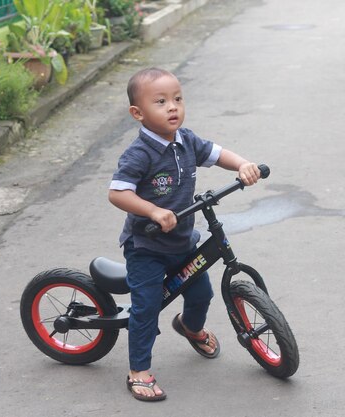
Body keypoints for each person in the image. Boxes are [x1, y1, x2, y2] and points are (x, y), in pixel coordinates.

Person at [109, 67, 261, 401]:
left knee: (200, 295)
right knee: (146, 308)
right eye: (160, 102)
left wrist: (242, 165)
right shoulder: (140, 154)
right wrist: (153, 210)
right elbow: (117, 192)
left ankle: (189, 327)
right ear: (138, 113)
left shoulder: (186, 141)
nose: (173, 107)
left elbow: (217, 153)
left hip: (181, 242)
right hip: (146, 246)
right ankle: (138, 371)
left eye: (177, 99)